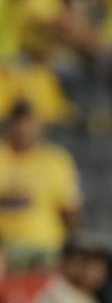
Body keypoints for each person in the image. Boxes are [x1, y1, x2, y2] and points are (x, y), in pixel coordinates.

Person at [0, 100, 80, 270]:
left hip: (45, 248)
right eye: (19, 124)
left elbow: (70, 210)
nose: (24, 131)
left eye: (30, 124)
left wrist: (72, 245)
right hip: (5, 248)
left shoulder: (55, 160)